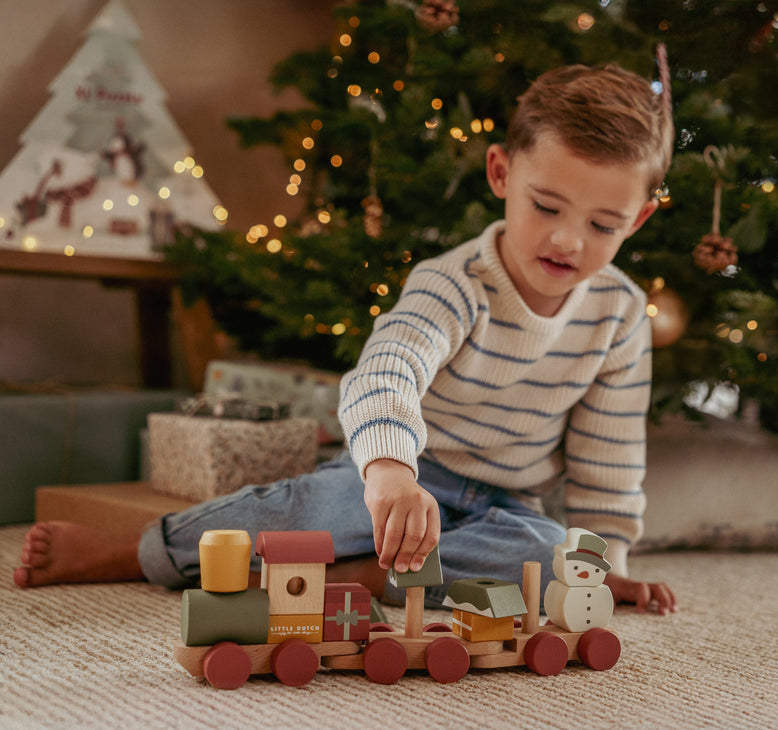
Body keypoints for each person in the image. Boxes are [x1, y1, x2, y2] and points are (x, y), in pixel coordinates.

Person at [14, 63, 678, 616]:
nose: (568, 240)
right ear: (502, 175)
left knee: (547, 562)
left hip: (506, 507)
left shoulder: (618, 314)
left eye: (602, 224)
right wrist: (390, 475)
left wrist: (603, 569)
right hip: (405, 472)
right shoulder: (454, 285)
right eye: (548, 206)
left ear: (639, 219)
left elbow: (608, 459)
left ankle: (369, 576)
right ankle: (137, 551)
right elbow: (386, 372)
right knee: (309, 508)